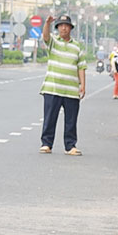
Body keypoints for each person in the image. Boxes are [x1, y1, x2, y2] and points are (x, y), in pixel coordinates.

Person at [38, 14, 87, 155]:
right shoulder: (53, 42)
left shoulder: (77, 47)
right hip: (52, 88)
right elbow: (46, 37)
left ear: (70, 28)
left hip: (71, 89)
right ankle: (46, 144)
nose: (64, 28)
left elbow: (81, 67)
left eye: (66, 26)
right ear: (58, 28)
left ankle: (70, 146)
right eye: (61, 26)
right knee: (50, 118)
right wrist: (47, 23)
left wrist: (83, 85)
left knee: (71, 120)